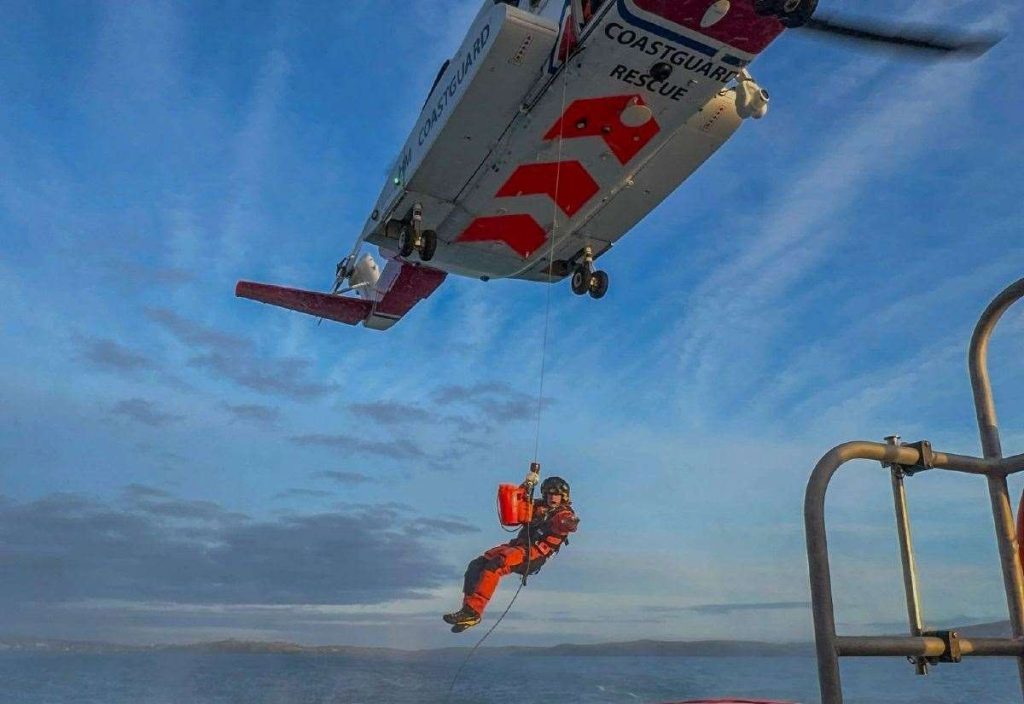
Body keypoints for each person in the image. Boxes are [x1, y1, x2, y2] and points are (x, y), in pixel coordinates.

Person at [443, 472, 580, 633]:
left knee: (496, 565)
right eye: (549, 493)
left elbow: (568, 524)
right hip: (518, 547)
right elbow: (518, 504)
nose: (552, 497)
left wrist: (570, 522)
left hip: (534, 554)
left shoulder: (563, 514)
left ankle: (473, 611)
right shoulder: (537, 507)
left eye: (556, 494)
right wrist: (527, 484)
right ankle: (467, 611)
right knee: (477, 564)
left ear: (563, 496)